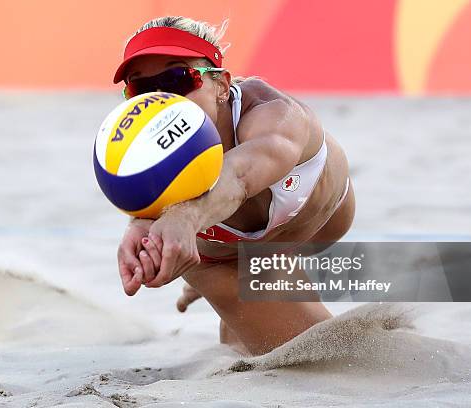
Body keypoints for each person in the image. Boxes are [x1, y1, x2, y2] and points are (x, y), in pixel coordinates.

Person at [113, 16, 355, 355]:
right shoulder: (138, 147)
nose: (162, 99)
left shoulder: (273, 113)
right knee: (308, 357)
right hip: (222, 261)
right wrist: (142, 227)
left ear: (222, 86)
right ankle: (221, 289)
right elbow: (146, 207)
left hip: (319, 229)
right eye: (141, 88)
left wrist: (184, 218)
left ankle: (243, 285)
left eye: (177, 78)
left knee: (315, 347)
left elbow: (240, 175)